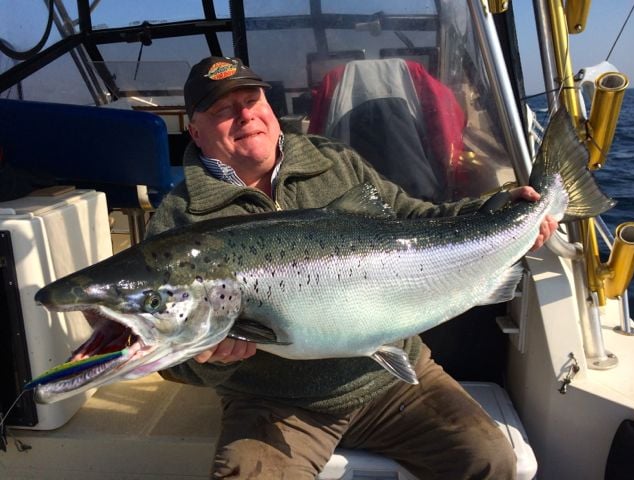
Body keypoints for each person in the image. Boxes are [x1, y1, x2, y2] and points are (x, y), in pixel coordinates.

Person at [146, 56, 558, 479]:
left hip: (391, 379)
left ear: (270, 107)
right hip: (274, 403)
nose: (246, 115)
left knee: (491, 461)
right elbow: (168, 360)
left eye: (252, 100)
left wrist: (499, 214)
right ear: (195, 131)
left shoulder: (332, 161)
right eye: (223, 110)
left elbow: (412, 219)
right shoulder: (180, 221)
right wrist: (212, 359)